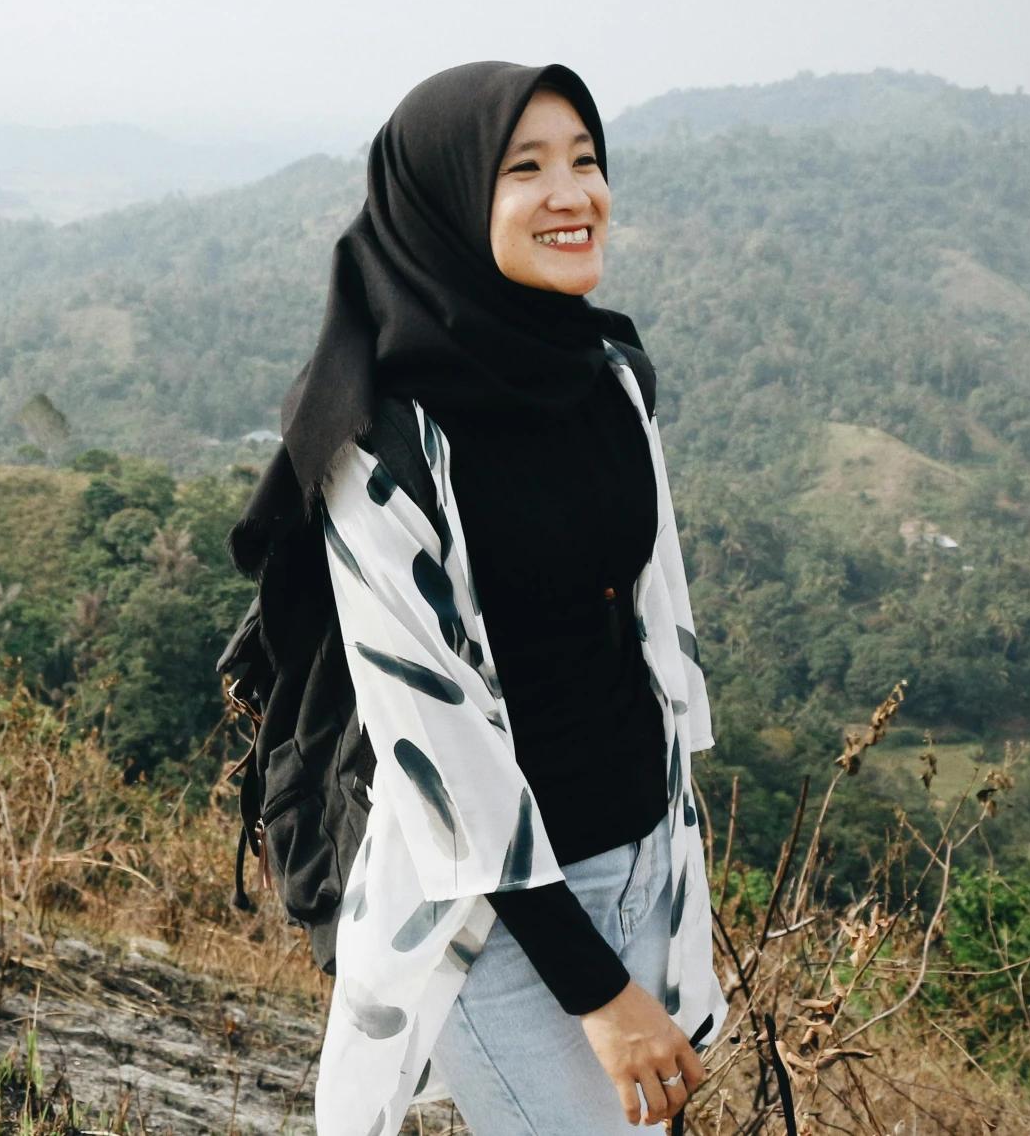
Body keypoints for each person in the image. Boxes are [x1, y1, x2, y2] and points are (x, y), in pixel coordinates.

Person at [232, 63, 727, 1136]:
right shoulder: (382, 444)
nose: (574, 192)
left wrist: (672, 869)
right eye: (528, 168)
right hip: (498, 917)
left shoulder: (608, 376)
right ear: (450, 201)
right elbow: (439, 753)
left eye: (587, 161)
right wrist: (597, 989)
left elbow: (646, 639)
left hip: (648, 859)